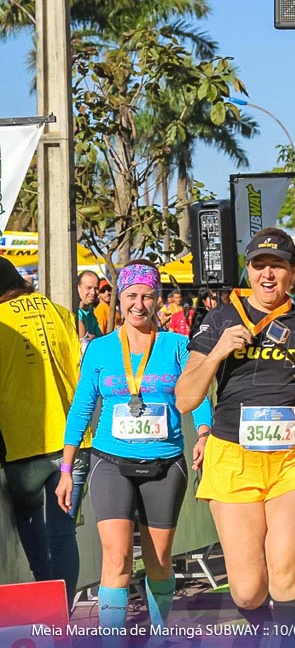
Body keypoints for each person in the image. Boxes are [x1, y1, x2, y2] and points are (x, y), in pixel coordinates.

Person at [175, 228, 295, 628]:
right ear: (248, 270)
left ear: (293, 273)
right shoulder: (220, 318)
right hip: (232, 457)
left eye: (277, 266)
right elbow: (186, 398)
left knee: (284, 574)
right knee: (247, 589)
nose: (267, 274)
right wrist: (219, 351)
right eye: (259, 266)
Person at [56, 260, 212, 630]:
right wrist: (66, 468)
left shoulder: (177, 346)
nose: (138, 305)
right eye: (131, 296)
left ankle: (159, 637)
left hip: (164, 463)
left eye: (147, 296)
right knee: (117, 559)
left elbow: (197, 394)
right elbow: (81, 409)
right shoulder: (100, 349)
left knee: (159, 560)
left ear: (157, 299)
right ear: (119, 299)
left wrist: (204, 433)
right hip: (111, 462)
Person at [0, 258, 90, 608]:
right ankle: (62, 613)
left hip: (22, 443)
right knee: (64, 533)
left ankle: (47, 603)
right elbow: (80, 374)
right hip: (72, 442)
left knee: (30, 520)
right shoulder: (62, 314)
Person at [76, 270, 102, 345]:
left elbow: (99, 338)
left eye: (96, 288)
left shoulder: (90, 314)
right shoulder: (75, 312)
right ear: (78, 288)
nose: (93, 292)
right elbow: (85, 340)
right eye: (89, 288)